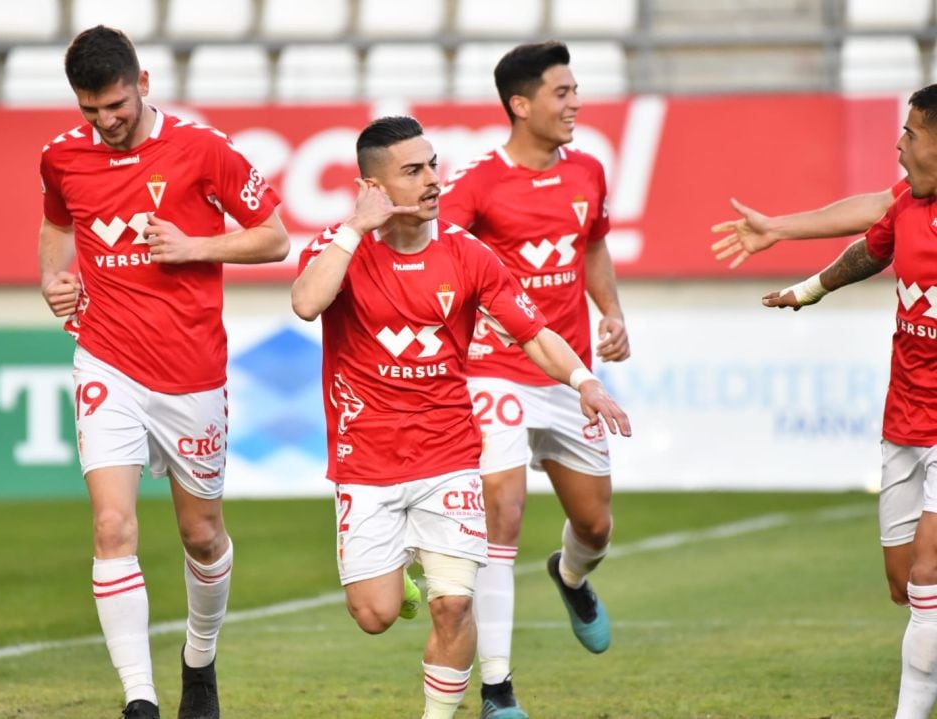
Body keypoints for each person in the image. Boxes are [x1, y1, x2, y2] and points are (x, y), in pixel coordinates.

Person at [291, 115, 631, 719]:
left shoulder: (468, 254)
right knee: (375, 615)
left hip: (448, 456)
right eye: (413, 170)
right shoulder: (337, 247)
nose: (432, 180)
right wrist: (352, 229)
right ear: (373, 185)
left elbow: (534, 332)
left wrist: (584, 380)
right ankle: (405, 569)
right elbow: (306, 302)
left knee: (454, 606)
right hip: (365, 461)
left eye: (432, 165)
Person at [38, 26, 289, 719]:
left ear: (142, 83)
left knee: (201, 533)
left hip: (191, 372)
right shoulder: (61, 158)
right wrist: (53, 279)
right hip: (106, 361)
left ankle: (199, 661)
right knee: (113, 526)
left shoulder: (202, 148)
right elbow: (57, 225)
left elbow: (275, 237)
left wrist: (195, 244)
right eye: (91, 110)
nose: (106, 121)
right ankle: (140, 700)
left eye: (116, 105)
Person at [439, 41, 628, 717]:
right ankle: (497, 689)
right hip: (497, 368)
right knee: (504, 513)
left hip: (569, 369)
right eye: (562, 92)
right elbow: (438, 253)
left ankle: (570, 574)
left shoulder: (590, 171)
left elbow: (594, 244)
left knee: (597, 525)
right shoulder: (476, 182)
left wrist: (612, 311)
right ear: (521, 105)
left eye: (576, 90)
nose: (575, 102)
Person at [763, 85, 937, 719]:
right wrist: (809, 289)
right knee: (904, 583)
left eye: (911, 134)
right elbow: (872, 247)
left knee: (926, 581)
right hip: (905, 418)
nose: (899, 144)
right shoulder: (910, 205)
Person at [710, 184, 907, 269]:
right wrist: (774, 227)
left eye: (912, 134)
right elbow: (879, 206)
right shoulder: (921, 185)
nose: (900, 143)